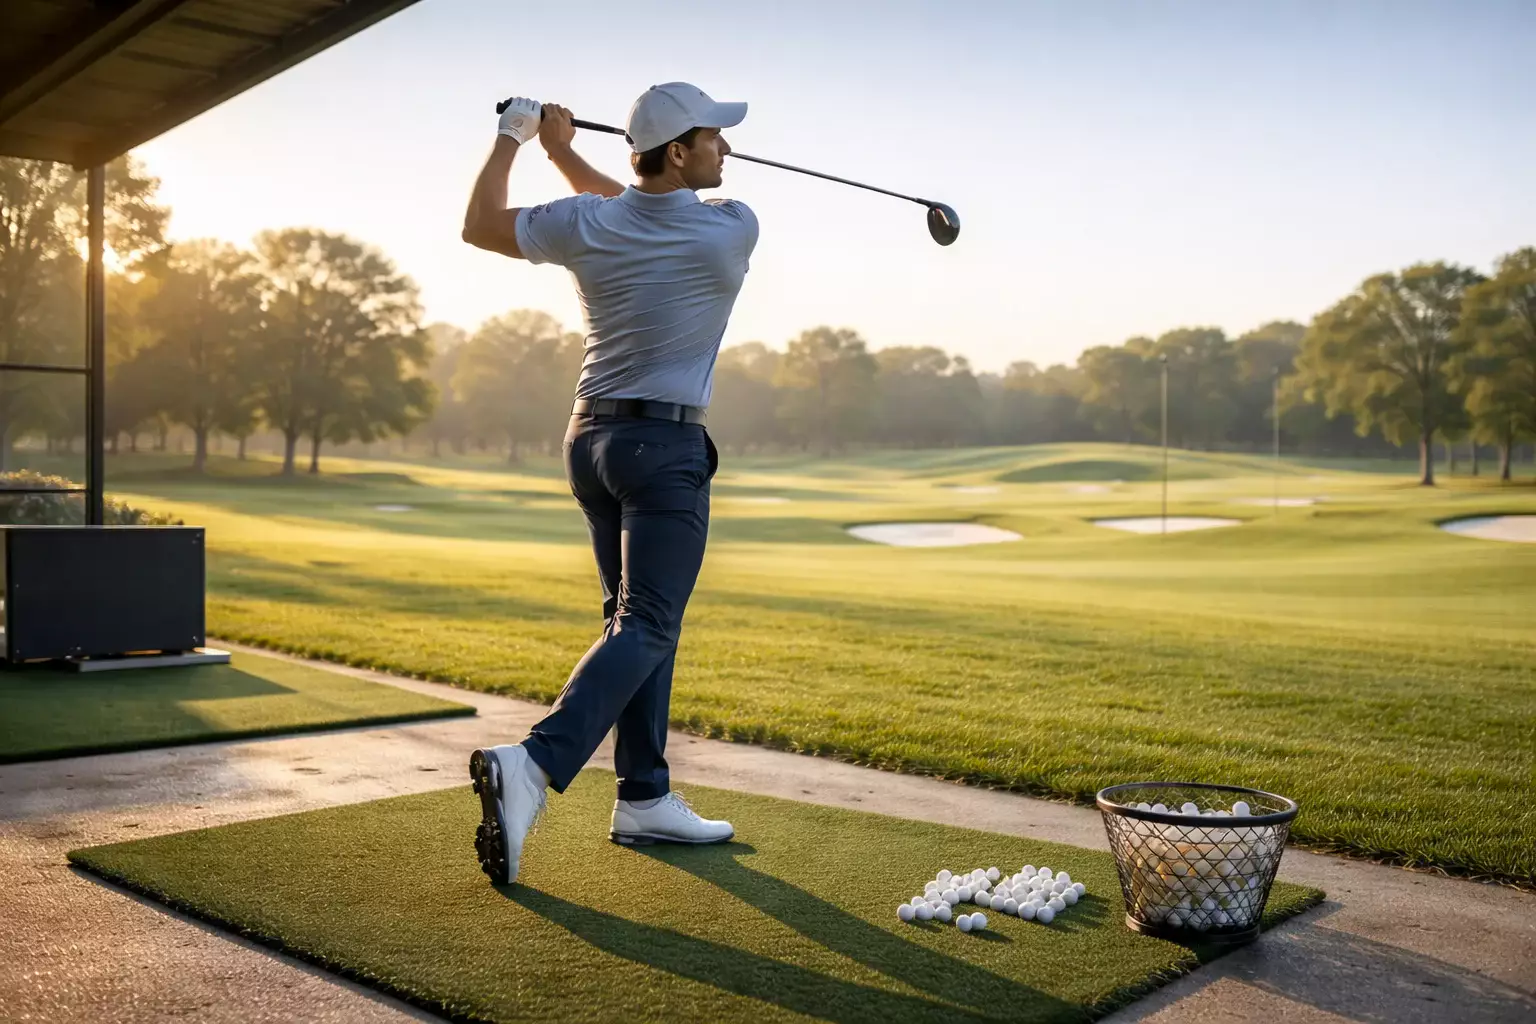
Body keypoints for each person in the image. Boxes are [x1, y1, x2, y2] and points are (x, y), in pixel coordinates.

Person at [459, 83, 758, 884]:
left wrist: (521, 141)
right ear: (678, 152)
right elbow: (637, 206)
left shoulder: (587, 224)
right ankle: (534, 762)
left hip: (589, 441)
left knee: (633, 623)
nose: (725, 148)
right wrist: (563, 155)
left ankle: (644, 797)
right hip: (663, 446)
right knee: (651, 621)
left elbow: (482, 225)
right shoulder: (730, 228)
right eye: (713, 137)